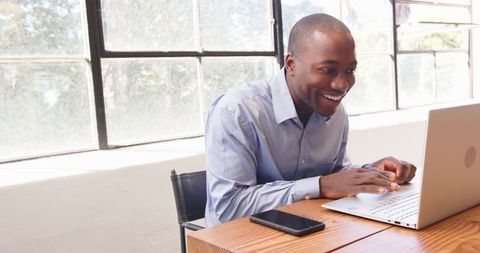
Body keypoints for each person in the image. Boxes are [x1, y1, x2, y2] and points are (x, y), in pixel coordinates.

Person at [204, 13, 416, 226]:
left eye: (349, 70)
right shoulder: (236, 111)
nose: (342, 84)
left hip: (305, 230)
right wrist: (320, 186)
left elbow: (333, 175)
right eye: (328, 70)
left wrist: (369, 173)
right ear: (291, 63)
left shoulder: (335, 111)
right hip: (237, 242)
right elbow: (229, 207)